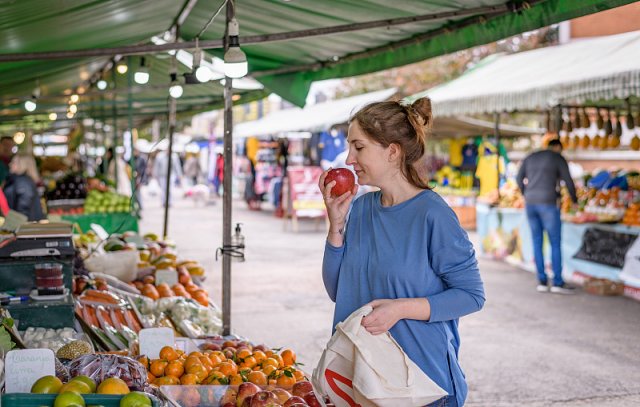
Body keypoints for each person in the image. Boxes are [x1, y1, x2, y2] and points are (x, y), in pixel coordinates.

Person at [319, 98, 485, 407]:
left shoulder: (432, 214)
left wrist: (400, 309)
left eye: (359, 147)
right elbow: (338, 291)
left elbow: (472, 295)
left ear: (393, 152)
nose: (348, 157)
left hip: (421, 385)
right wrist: (336, 226)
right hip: (364, 380)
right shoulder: (361, 207)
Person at [516, 138, 578, 294]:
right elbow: (568, 181)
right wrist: (575, 201)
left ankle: (542, 281)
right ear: (557, 147)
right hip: (549, 203)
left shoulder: (531, 156)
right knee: (554, 242)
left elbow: (518, 179)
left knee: (537, 241)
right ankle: (557, 282)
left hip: (530, 204)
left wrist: (527, 194)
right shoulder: (557, 157)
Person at [3, 154, 44, 221]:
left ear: (22, 165)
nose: (10, 164)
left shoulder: (23, 181)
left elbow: (23, 208)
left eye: (13, 162)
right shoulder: (19, 180)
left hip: (24, 226)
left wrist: (15, 225)